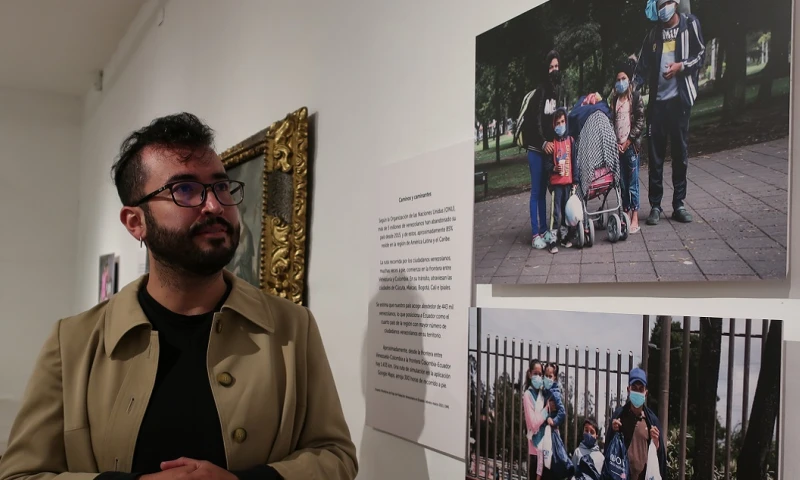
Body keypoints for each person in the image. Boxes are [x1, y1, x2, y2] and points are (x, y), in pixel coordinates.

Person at [0, 113, 358, 480]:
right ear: (135, 222)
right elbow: (20, 474)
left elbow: (335, 456)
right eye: (184, 190)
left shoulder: (292, 327)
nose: (215, 206)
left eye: (221, 187)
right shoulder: (73, 342)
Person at [633, 0, 705, 226]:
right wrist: (630, 89)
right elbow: (642, 67)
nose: (662, 8)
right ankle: (655, 206)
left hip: (679, 102)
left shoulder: (689, 24)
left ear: (675, 3)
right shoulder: (653, 35)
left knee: (679, 154)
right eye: (659, 4)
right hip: (657, 105)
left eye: (665, 2)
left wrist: (680, 66)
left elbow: (700, 55)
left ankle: (679, 205)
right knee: (655, 157)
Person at [519, 50, 568, 250]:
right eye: (551, 67)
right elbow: (533, 123)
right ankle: (535, 234)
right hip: (536, 149)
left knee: (545, 193)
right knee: (536, 192)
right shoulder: (540, 93)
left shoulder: (557, 94)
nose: (554, 70)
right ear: (545, 69)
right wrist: (542, 143)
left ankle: (544, 230)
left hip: (549, 151)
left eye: (557, 66)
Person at [605, 368, 666, 480]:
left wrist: (656, 442)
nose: (637, 392)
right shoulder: (619, 416)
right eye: (634, 388)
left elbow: (660, 457)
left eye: (641, 389)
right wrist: (614, 431)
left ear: (646, 393)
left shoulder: (651, 421)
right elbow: (609, 449)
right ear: (628, 390)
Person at [609, 58, 646, 234]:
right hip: (618, 149)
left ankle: (635, 215)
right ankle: (625, 212)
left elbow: (640, 121)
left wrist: (628, 141)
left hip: (631, 147)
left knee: (633, 183)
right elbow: (611, 123)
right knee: (622, 183)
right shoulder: (614, 100)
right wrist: (615, 143)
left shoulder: (635, 98)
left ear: (629, 79)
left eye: (624, 78)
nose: (621, 82)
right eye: (618, 79)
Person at [544, 109, 578, 254]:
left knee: (566, 211)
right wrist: (554, 168)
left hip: (568, 183)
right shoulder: (552, 144)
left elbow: (574, 162)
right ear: (553, 125)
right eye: (557, 123)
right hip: (556, 184)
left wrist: (575, 180)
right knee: (555, 213)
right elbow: (546, 164)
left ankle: (564, 237)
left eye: (563, 122)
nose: (560, 125)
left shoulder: (571, 141)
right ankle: (552, 240)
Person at [522, 359, 549, 480]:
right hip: (535, 452)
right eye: (535, 373)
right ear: (530, 374)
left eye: (540, 374)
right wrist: (546, 410)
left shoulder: (544, 394)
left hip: (547, 451)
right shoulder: (528, 395)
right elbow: (533, 424)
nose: (538, 377)